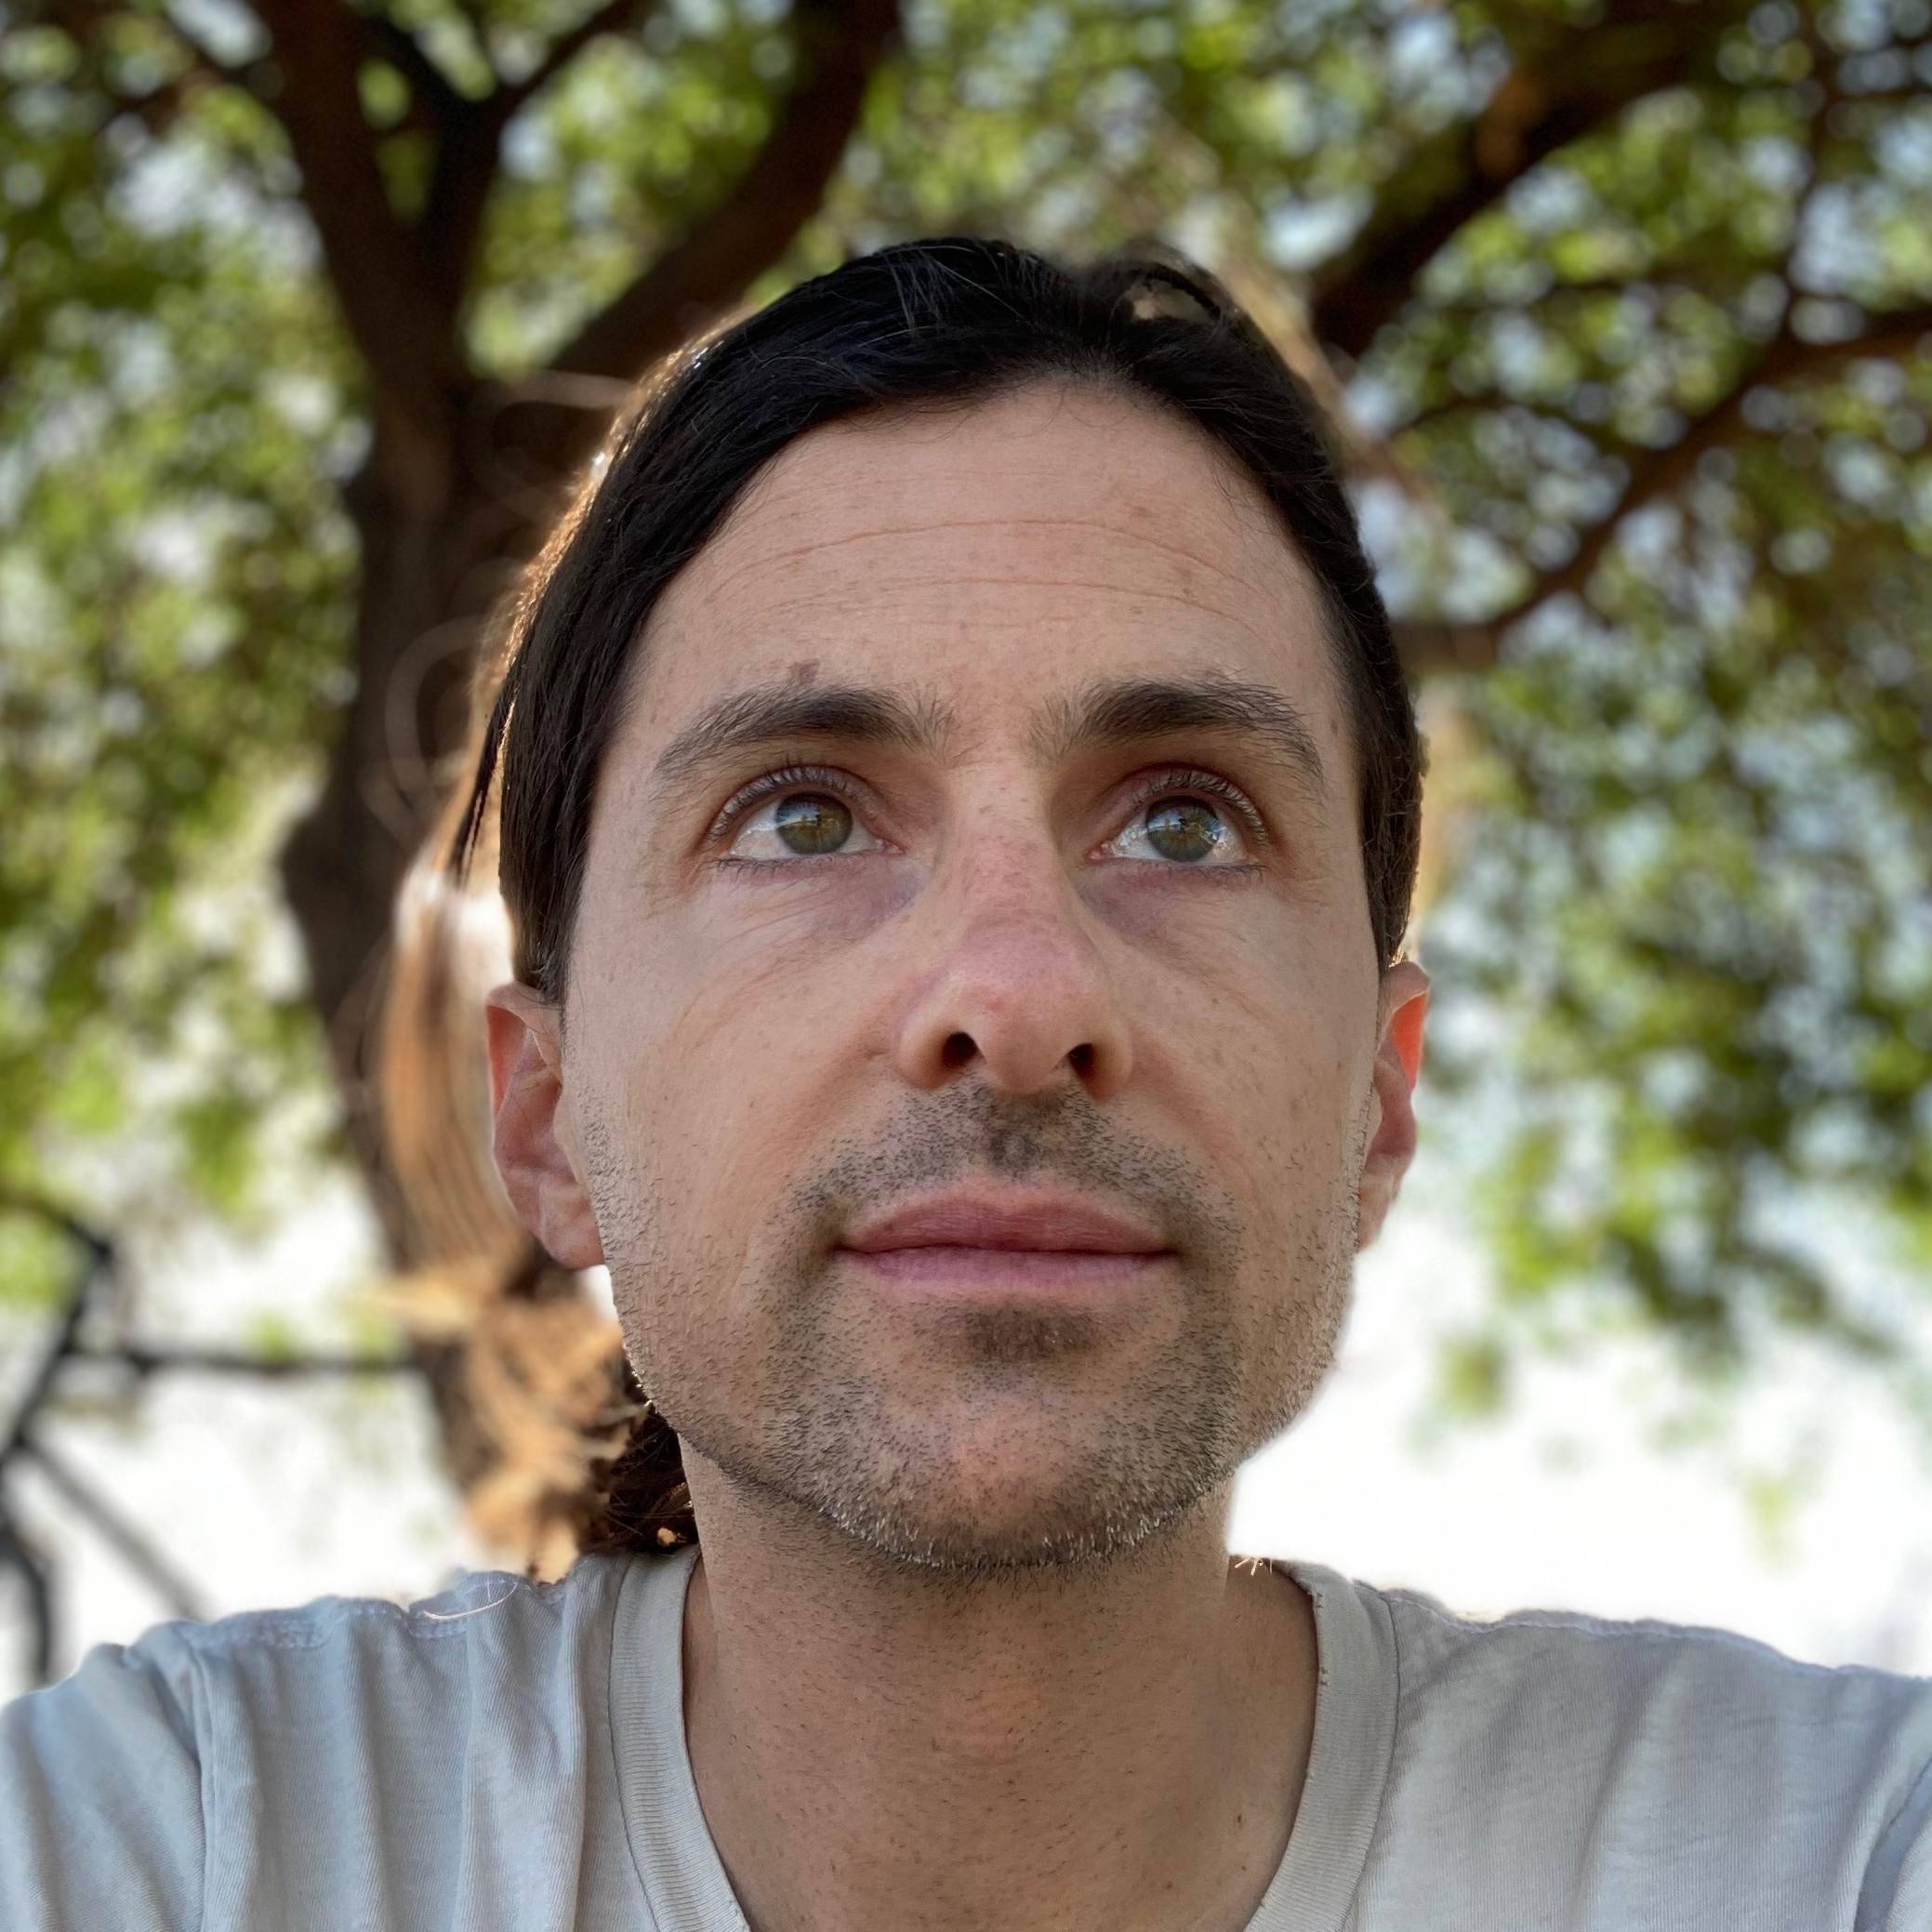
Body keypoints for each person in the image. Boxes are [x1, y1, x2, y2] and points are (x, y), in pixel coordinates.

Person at [4, 236, 1928, 1932]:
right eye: (804, 811)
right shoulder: (174, 1848)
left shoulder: (1831, 1859)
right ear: (545, 1114)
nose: (1015, 995)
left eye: (1182, 818)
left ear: (1379, 1101)